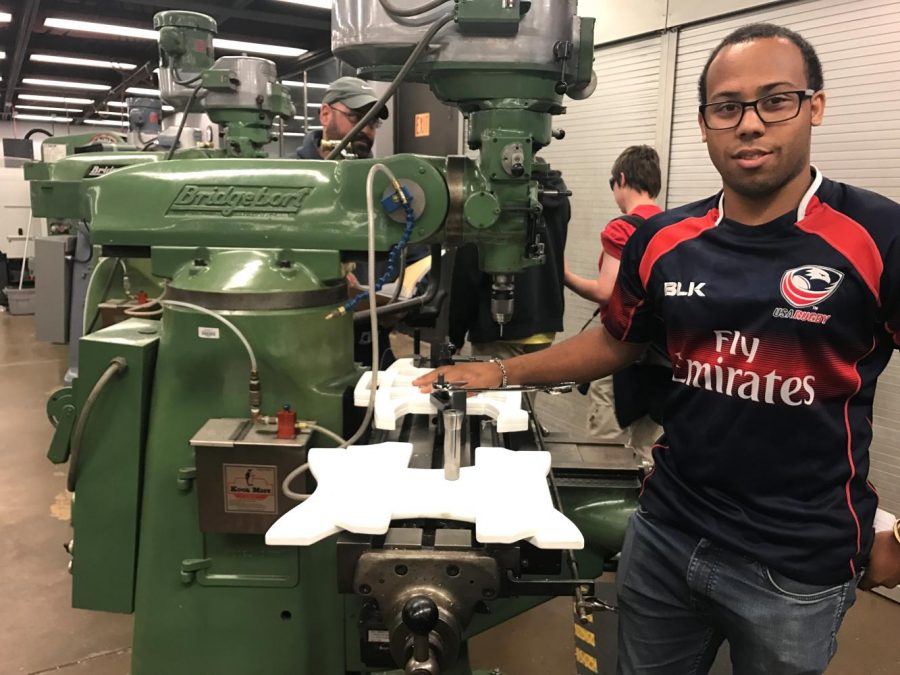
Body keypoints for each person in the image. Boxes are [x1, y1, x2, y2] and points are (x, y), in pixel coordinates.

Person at [414, 23, 900, 673]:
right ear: (703, 124)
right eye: (727, 107)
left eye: (775, 99)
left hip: (796, 569)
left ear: (815, 105)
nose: (750, 124)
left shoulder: (876, 236)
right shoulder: (667, 239)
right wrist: (497, 371)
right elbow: (617, 342)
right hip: (667, 537)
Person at [564, 145, 666, 463]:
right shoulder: (673, 225)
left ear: (621, 180)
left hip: (620, 352)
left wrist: (563, 275)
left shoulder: (622, 227)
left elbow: (606, 293)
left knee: (604, 447)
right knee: (649, 446)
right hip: (661, 355)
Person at [296, 76, 395, 367]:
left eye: (374, 122)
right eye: (356, 117)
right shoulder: (288, 179)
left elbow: (413, 253)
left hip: (371, 343)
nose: (367, 129)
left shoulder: (380, 183)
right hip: (303, 340)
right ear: (325, 113)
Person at [448, 159, 569, 363]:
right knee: (526, 395)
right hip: (544, 325)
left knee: (498, 396)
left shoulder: (486, 194)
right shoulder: (558, 194)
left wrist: (455, 335)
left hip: (498, 332)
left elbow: (467, 273)